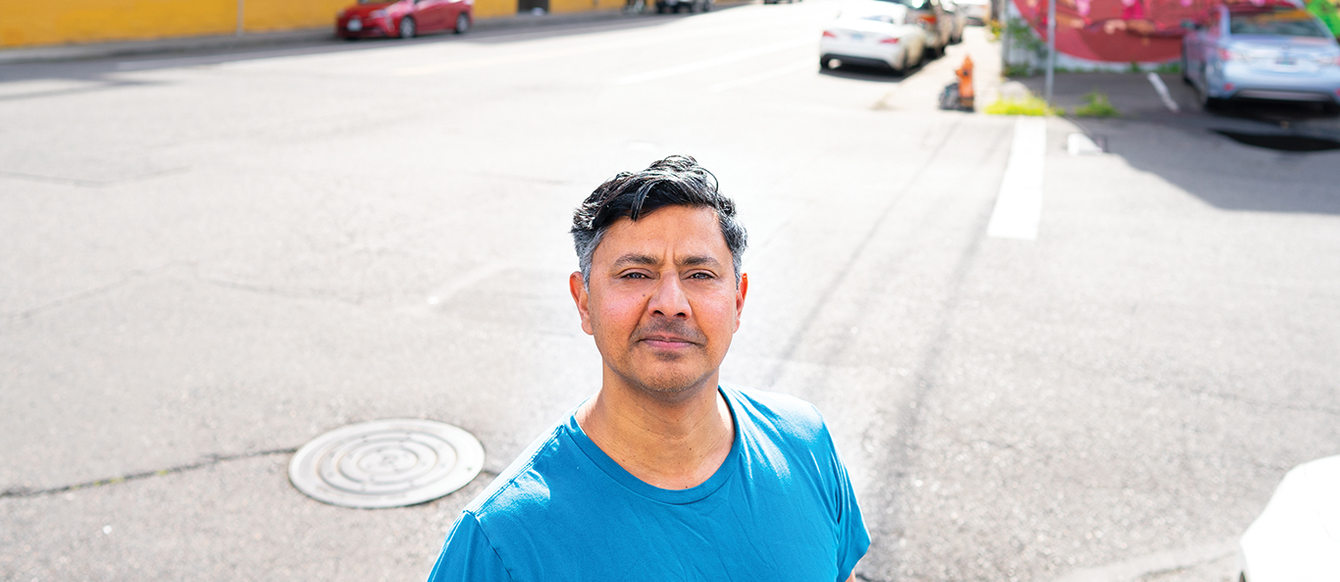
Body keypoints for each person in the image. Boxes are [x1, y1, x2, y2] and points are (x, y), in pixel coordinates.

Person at [426, 155, 870, 582]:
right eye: (636, 274)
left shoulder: (805, 443)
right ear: (584, 302)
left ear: (738, 301)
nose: (671, 304)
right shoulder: (501, 540)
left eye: (699, 274)